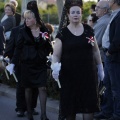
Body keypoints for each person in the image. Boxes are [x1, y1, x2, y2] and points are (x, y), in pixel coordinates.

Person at [51, 1, 104, 120]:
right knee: (70, 108)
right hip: (69, 76)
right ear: (68, 15)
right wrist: (55, 67)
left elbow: (95, 51)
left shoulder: (88, 30)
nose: (75, 15)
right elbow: (56, 55)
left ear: (81, 14)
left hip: (88, 75)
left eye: (78, 12)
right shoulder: (62, 33)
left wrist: (100, 68)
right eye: (73, 12)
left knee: (89, 106)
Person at [6, 1, 53, 120]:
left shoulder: (44, 31)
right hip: (26, 64)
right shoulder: (22, 31)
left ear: (35, 19)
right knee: (27, 89)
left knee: (42, 88)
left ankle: (43, 115)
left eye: (28, 19)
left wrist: (46, 43)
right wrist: (13, 63)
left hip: (40, 64)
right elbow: (18, 48)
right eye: (25, 19)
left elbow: (49, 48)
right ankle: (29, 113)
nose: (25, 21)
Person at [4, 13, 39, 117]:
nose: (27, 19)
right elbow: (11, 46)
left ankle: (31, 108)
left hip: (35, 62)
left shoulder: (38, 29)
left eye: (30, 17)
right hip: (20, 62)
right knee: (21, 85)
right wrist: (8, 59)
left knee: (34, 86)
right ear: (23, 18)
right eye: (26, 17)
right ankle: (20, 108)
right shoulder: (16, 30)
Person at [94, 0, 120, 119]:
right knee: (106, 86)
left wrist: (109, 51)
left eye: (98, 7)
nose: (95, 9)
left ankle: (116, 113)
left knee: (115, 87)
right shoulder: (114, 15)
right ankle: (107, 111)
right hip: (108, 56)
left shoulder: (118, 16)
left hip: (112, 57)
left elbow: (117, 38)